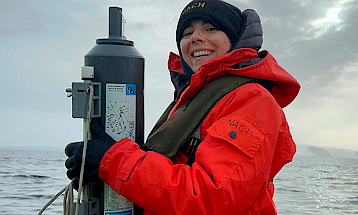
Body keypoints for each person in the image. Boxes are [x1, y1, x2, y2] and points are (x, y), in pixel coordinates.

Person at [65, 0, 300, 214]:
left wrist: (111, 159)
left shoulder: (251, 100)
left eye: (210, 29)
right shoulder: (192, 98)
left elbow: (211, 197)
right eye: (188, 32)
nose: (195, 37)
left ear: (237, 39)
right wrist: (99, 165)